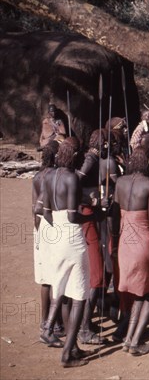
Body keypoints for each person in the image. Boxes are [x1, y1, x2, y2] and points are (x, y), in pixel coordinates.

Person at [40, 137, 97, 367]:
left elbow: (45, 212)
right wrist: (96, 214)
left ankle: (72, 347)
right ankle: (67, 354)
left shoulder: (48, 175)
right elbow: (74, 216)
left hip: (55, 235)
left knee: (63, 290)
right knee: (79, 296)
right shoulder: (72, 178)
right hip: (72, 237)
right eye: (79, 156)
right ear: (73, 156)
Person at [112, 147, 149, 356]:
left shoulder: (120, 182)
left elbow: (114, 214)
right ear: (148, 161)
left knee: (138, 292)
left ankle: (129, 338)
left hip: (125, 241)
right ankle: (135, 340)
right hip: (143, 240)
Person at [75, 129, 109, 345]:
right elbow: (74, 185)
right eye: (109, 142)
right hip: (86, 218)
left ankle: (85, 322)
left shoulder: (94, 157)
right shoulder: (90, 159)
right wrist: (94, 201)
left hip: (89, 217)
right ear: (102, 142)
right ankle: (85, 328)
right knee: (96, 275)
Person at [32, 141, 62, 337]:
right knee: (56, 275)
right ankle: (54, 321)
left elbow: (34, 206)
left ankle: (45, 320)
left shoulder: (37, 176)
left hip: (39, 225)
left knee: (45, 278)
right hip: (51, 224)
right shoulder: (54, 176)